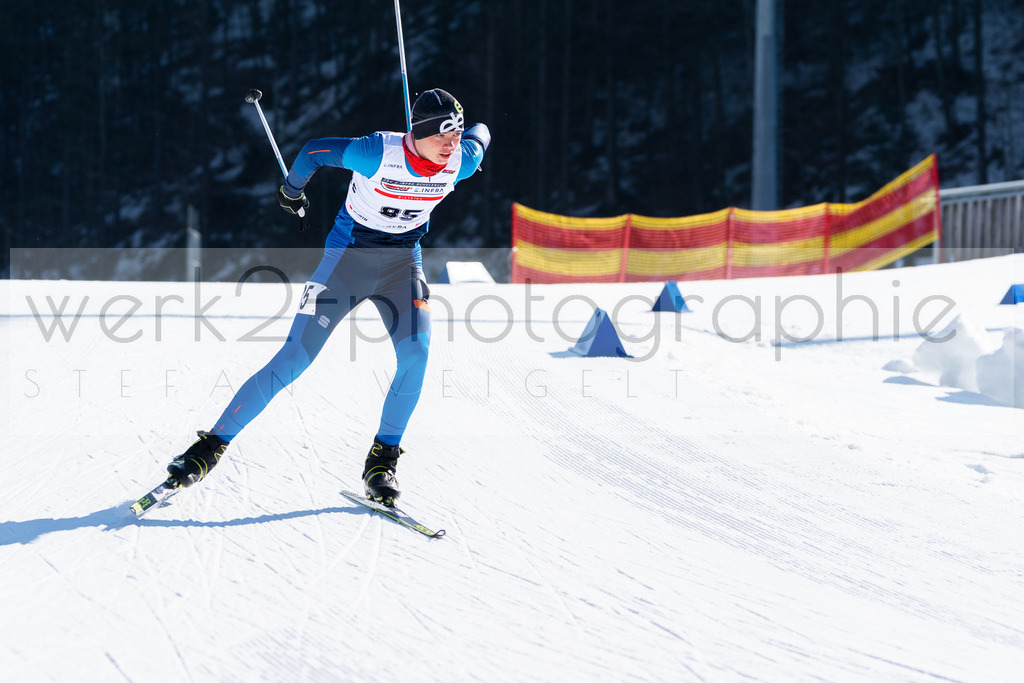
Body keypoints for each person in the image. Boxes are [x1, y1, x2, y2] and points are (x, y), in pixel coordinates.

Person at [165, 89, 490, 506]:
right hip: (346, 263)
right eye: (445, 133)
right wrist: (292, 189)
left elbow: (481, 135)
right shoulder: (375, 153)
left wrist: (471, 133)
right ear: (420, 131)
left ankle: (382, 461)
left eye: (456, 133)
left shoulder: (464, 159)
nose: (453, 143)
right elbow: (314, 152)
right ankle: (208, 449)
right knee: (294, 359)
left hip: (401, 268)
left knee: (417, 353)